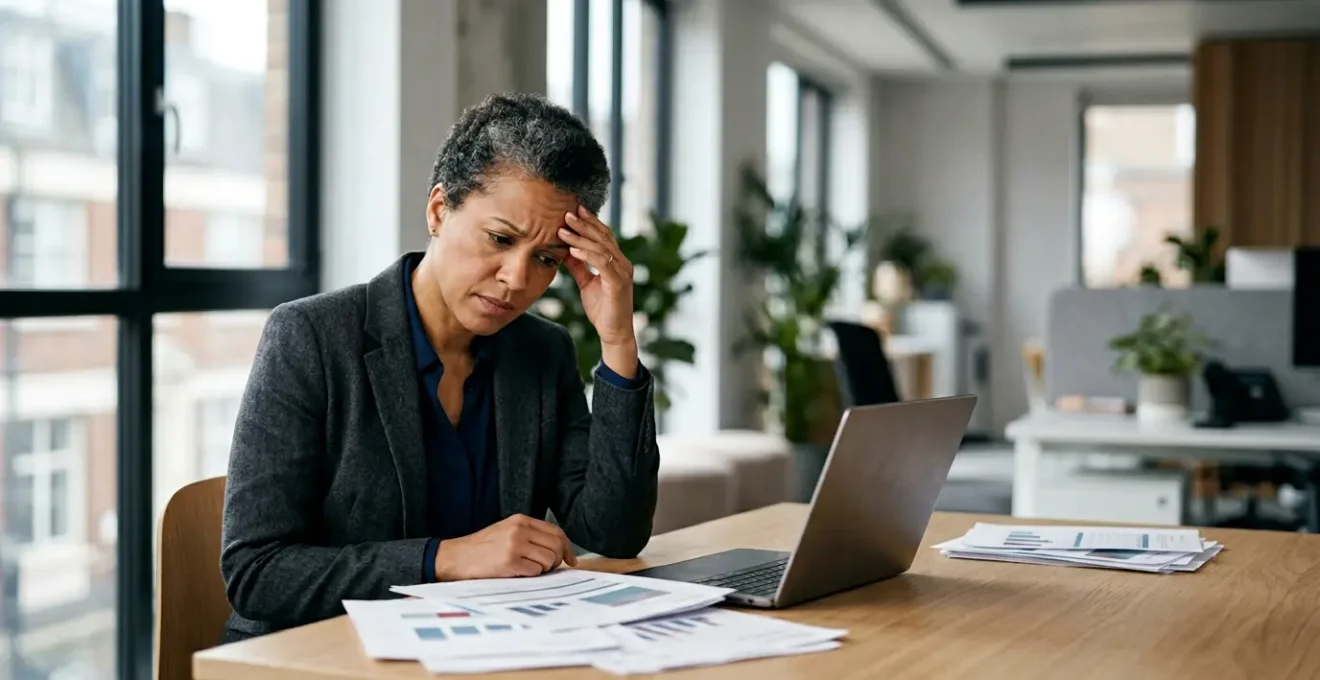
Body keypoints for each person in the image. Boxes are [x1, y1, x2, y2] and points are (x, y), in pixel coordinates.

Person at [218, 93, 660, 642]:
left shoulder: (541, 351)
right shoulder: (309, 337)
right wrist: (443, 559)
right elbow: (257, 573)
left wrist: (617, 338)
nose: (517, 279)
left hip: (482, 651)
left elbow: (614, 533)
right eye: (500, 239)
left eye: (547, 259)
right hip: (321, 654)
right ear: (437, 210)